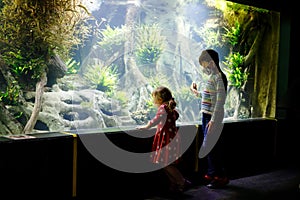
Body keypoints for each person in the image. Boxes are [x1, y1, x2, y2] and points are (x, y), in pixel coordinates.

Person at [137, 86, 191, 194]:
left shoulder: (163, 108)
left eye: (154, 98)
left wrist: (146, 127)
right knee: (164, 163)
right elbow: (175, 116)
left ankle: (182, 181)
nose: (153, 101)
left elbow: (156, 120)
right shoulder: (170, 108)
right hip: (171, 138)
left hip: (166, 139)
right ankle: (174, 184)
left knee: (166, 163)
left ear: (160, 99)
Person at [190, 49, 229, 189]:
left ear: (211, 62)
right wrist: (197, 93)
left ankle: (217, 176)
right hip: (206, 116)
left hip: (212, 117)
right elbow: (209, 96)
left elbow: (220, 100)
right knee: (210, 146)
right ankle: (215, 174)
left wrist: (213, 120)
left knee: (210, 147)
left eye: (204, 64)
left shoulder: (218, 77)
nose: (203, 67)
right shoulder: (213, 77)